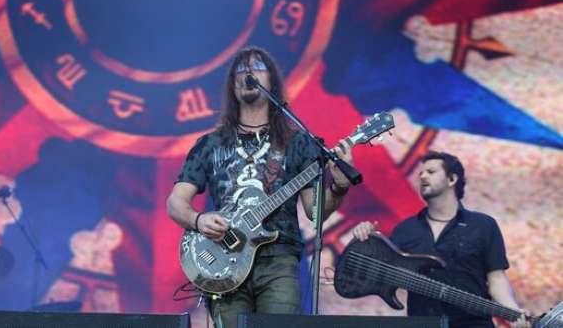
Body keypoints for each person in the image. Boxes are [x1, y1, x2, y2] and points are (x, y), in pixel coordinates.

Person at [167, 46, 353, 328]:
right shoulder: (210, 144)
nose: (248, 73)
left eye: (256, 68)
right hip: (223, 261)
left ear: (272, 81)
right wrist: (198, 219)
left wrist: (338, 188)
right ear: (232, 85)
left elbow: (315, 212)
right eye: (240, 70)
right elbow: (175, 202)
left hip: (279, 261)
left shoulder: (298, 142)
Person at [351, 151, 530, 328]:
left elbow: (496, 278)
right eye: (421, 173)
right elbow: (378, 270)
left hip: (472, 324)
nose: (422, 176)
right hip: (423, 323)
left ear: (452, 179)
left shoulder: (483, 225)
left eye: (431, 172)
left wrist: (513, 312)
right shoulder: (405, 229)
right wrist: (366, 236)